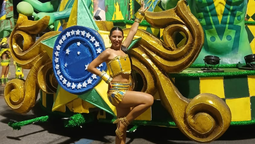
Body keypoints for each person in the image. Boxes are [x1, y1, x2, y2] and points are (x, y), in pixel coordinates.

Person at [88, 1, 153, 144]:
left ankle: (122, 127)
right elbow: (91, 66)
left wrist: (140, 13)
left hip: (126, 89)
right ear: (110, 38)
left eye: (119, 36)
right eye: (114, 36)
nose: (117, 39)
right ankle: (125, 122)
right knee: (149, 100)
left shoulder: (124, 49)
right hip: (117, 92)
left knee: (120, 132)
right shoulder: (108, 53)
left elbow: (133, 31)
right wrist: (106, 78)